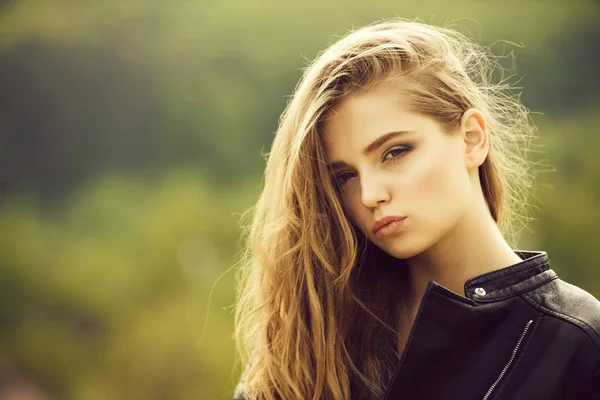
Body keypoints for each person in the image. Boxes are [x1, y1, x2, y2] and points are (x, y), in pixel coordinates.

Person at [232, 18, 600, 400]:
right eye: (345, 176)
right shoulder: (314, 340)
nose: (369, 194)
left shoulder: (577, 345)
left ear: (472, 139)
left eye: (394, 152)